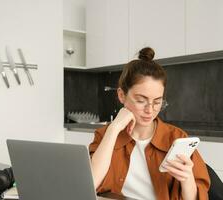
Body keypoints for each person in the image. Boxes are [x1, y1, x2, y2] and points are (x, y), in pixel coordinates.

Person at [89, 47, 210, 200]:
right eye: (141, 100)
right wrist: (114, 129)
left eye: (157, 102)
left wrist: (187, 180)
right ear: (121, 95)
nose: (150, 110)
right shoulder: (105, 135)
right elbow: (89, 184)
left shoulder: (176, 137)